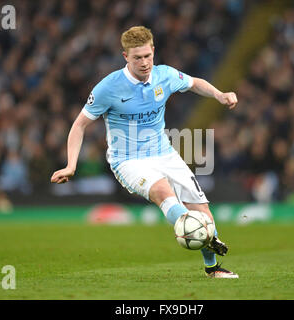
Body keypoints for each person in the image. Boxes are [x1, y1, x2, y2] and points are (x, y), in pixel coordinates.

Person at [51, 26, 239, 278]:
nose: (144, 62)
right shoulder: (108, 88)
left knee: (203, 210)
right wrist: (71, 164)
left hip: (164, 153)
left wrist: (219, 94)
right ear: (125, 57)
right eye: (137, 57)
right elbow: (79, 125)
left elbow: (195, 83)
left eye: (147, 56)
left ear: (153, 51)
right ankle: (196, 231)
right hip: (127, 160)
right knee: (164, 192)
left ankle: (212, 267)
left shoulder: (165, 75)